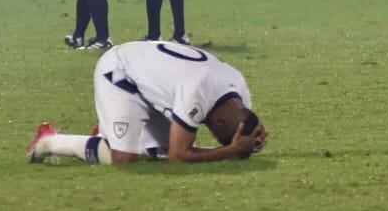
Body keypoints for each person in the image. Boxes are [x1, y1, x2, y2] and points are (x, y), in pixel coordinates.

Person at [25, 41, 268, 165]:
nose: (214, 134)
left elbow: (246, 121)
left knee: (155, 154)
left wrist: (255, 136)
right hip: (120, 72)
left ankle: (112, 133)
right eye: (219, 133)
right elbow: (179, 157)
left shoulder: (238, 86)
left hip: (155, 85)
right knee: (124, 159)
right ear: (221, 120)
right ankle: (48, 141)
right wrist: (230, 151)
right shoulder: (197, 90)